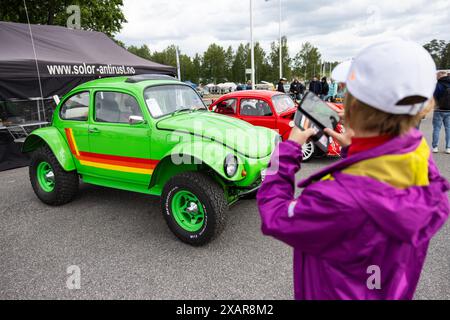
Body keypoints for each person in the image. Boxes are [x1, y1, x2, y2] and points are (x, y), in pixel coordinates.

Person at [257, 40, 449, 300]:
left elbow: (275, 215)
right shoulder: (418, 155)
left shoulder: (336, 199)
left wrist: (287, 149)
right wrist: (356, 151)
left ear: (354, 107)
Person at [432, 71, 450, 153]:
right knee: (448, 129)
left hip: (438, 110)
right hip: (449, 110)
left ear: (440, 76)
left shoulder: (438, 85)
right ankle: (448, 147)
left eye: (437, 75)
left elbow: (434, 97)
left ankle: (435, 147)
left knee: (436, 129)